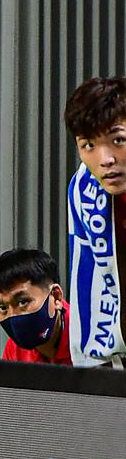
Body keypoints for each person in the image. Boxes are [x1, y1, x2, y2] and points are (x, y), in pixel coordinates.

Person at [64, 76, 126, 368]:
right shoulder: (84, 188)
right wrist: (88, 362)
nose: (106, 159)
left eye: (118, 140)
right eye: (88, 145)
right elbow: (87, 273)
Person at [0, 248, 71, 365]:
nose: (13, 316)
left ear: (56, 296)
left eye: (23, 302)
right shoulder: (15, 349)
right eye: (3, 308)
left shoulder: (88, 340)